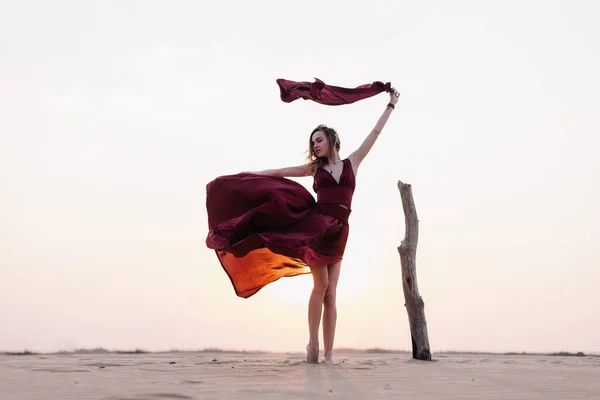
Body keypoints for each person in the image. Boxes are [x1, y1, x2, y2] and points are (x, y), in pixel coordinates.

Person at [205, 87, 400, 364]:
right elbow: (279, 173)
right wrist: (248, 175)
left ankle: (330, 354)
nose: (316, 146)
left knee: (332, 293)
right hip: (317, 227)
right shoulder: (315, 170)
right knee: (320, 286)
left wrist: (390, 105)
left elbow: (375, 135)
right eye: (313, 143)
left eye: (319, 140)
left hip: (340, 230)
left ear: (332, 141)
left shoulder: (352, 163)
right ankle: (312, 346)